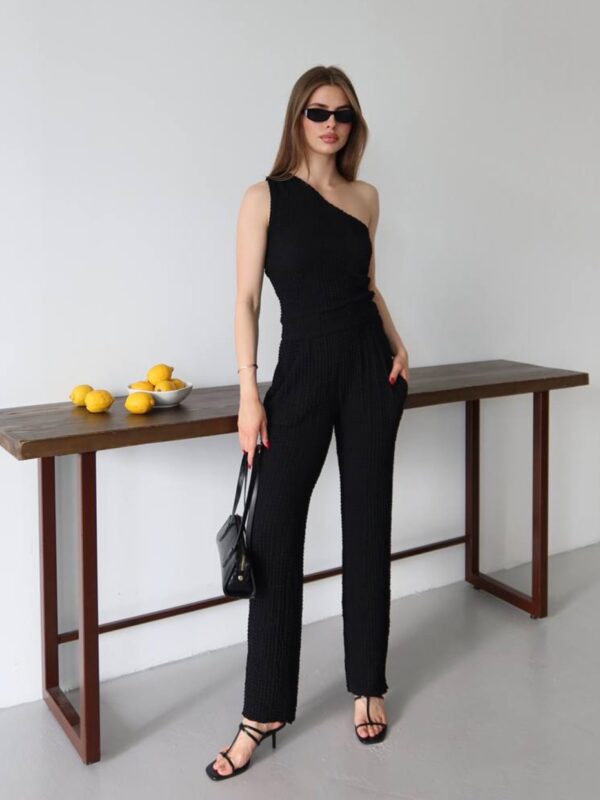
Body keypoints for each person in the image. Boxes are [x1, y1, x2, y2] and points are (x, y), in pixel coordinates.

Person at [206, 64, 410, 781]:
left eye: (343, 114)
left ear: (354, 124)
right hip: (299, 372)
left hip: (369, 368)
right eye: (318, 111)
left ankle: (368, 685)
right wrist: (248, 391)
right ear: (298, 117)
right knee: (271, 536)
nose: (331, 124)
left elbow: (369, 286)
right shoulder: (264, 198)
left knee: (368, 523)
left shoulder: (366, 198)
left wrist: (399, 343)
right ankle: (262, 710)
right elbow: (246, 301)